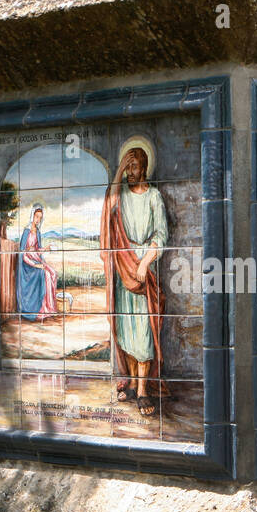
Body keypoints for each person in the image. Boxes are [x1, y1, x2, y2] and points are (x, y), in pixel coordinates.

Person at [100, 137, 169, 417]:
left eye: (135, 166)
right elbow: (109, 205)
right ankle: (131, 384)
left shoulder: (153, 197)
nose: (131, 172)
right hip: (122, 266)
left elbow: (161, 234)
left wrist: (146, 263)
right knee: (126, 329)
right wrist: (118, 171)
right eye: (127, 167)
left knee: (143, 332)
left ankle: (142, 391)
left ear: (145, 168)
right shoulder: (121, 196)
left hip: (143, 266)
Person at [16, 204, 59, 322]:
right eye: (36, 217)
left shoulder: (38, 232)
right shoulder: (26, 231)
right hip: (27, 265)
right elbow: (23, 254)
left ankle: (49, 307)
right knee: (44, 274)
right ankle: (41, 309)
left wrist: (46, 248)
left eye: (40, 217)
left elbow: (37, 250)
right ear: (32, 216)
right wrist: (35, 265)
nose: (38, 220)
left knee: (53, 273)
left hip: (36, 259)